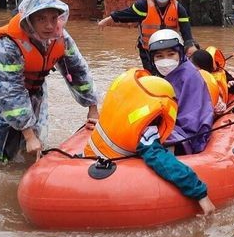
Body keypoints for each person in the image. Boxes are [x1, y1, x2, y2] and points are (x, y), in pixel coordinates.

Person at [0, 0, 99, 163]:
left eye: (53, 18)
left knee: (38, 132)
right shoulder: (6, 45)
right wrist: (28, 135)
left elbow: (78, 70)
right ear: (29, 20)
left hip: (34, 81)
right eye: (41, 19)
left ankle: (29, 157)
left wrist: (92, 108)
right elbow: (9, 92)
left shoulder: (59, 36)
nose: (49, 25)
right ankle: (1, 163)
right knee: (7, 134)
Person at [83, 68, 215, 215]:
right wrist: (200, 193)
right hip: (112, 180)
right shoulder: (146, 129)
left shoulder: (115, 113)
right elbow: (162, 160)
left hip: (86, 164)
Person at [97, 0, 199, 72]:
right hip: (149, 51)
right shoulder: (143, 5)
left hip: (171, 50)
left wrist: (190, 45)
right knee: (153, 76)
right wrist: (108, 20)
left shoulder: (178, 8)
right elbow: (126, 14)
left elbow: (186, 30)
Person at [146, 29, 213, 155]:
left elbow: (192, 118)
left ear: (181, 54)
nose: (165, 60)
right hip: (169, 126)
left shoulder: (190, 76)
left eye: (171, 54)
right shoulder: (160, 77)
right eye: (159, 56)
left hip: (187, 134)